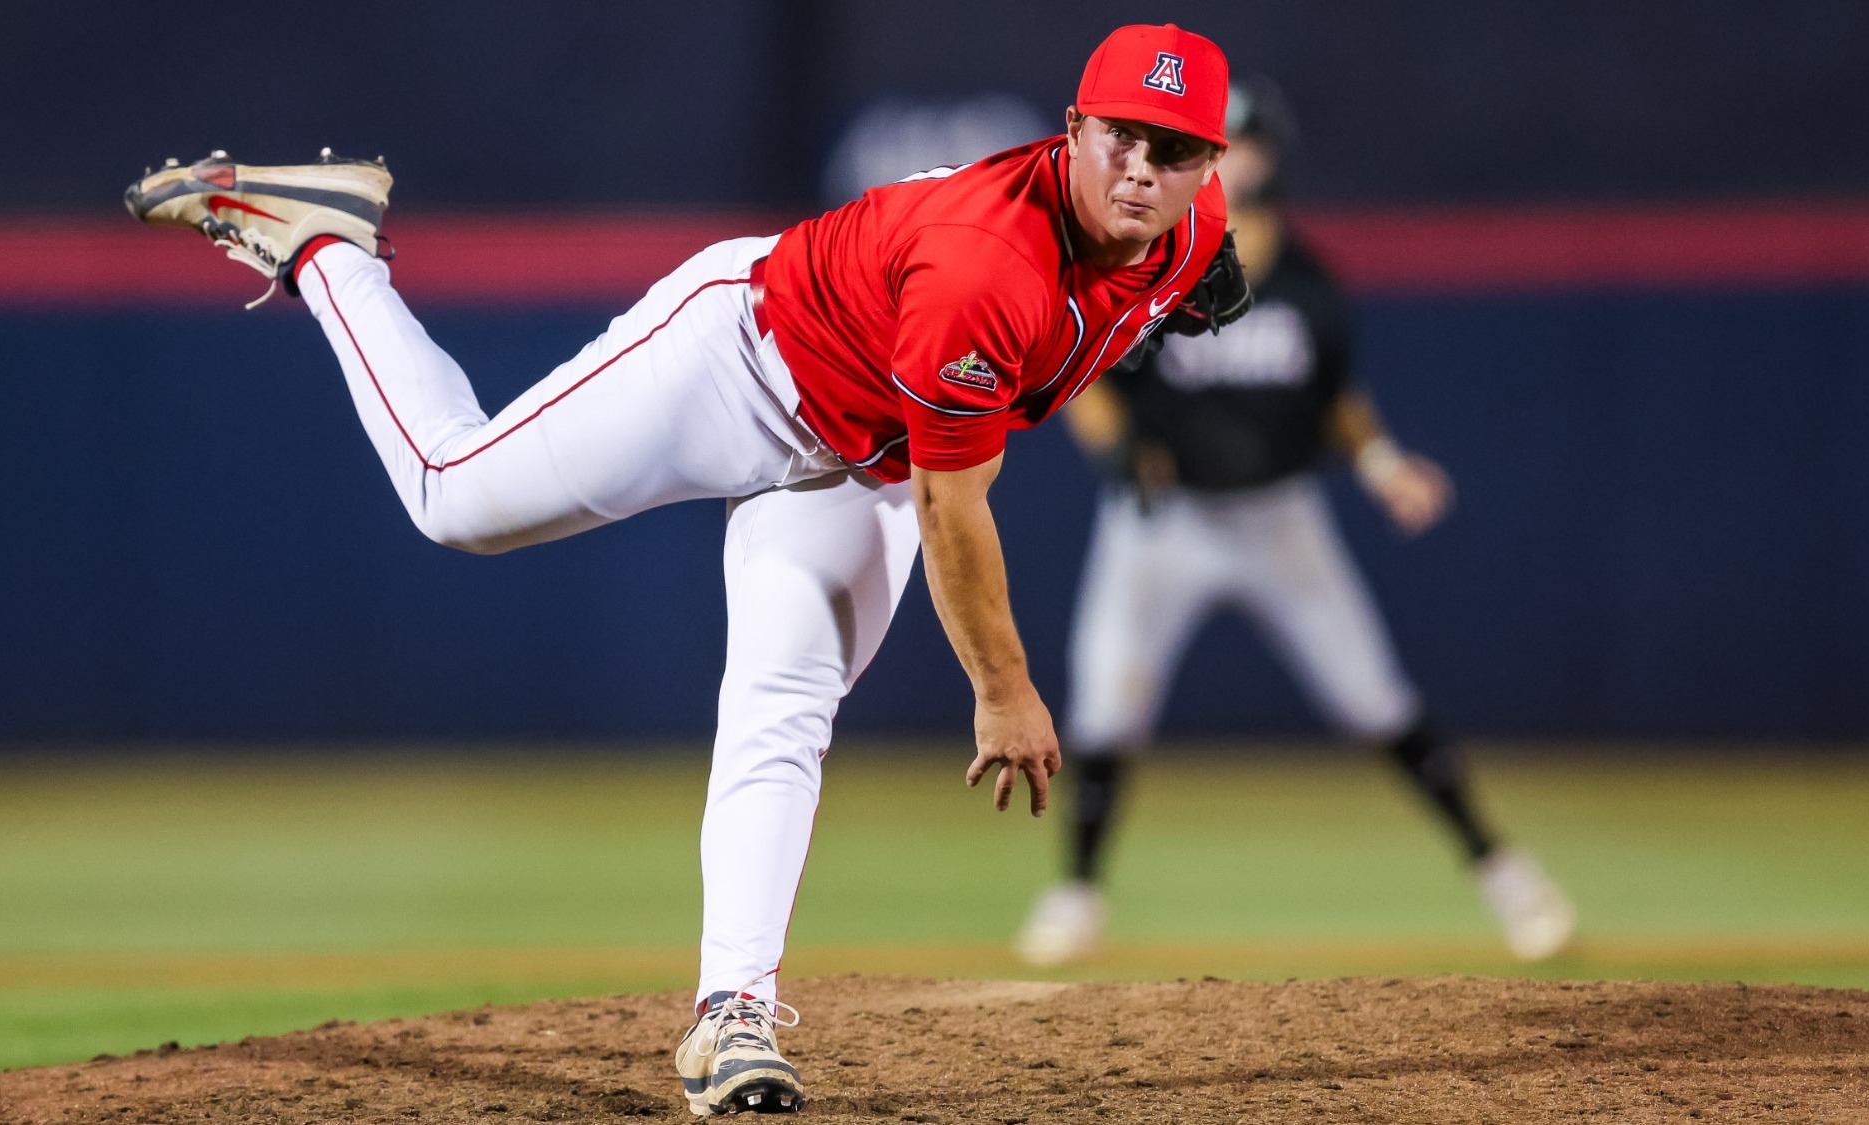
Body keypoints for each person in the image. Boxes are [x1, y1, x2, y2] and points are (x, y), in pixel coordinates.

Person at [126, 24, 1241, 1117]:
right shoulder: (982, 267)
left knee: (783, 709)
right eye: (1119, 136)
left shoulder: (1192, 227)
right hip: (740, 363)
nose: (1140, 168)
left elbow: (1191, 271)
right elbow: (954, 504)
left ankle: (733, 1016)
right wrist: (1001, 688)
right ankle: (328, 248)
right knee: (451, 497)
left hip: (859, 459)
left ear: (1208, 165)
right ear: (1071, 128)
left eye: (1173, 148)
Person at [1015, 78, 1576, 969]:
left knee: (1376, 698)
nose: (1223, 162)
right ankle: (1077, 892)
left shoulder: (1307, 280)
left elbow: (1336, 400)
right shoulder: (1145, 262)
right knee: (1104, 704)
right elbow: (1084, 374)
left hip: (1279, 516)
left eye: (1230, 145)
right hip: (1165, 522)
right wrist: (1120, 453)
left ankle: (1506, 874)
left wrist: (1383, 461)